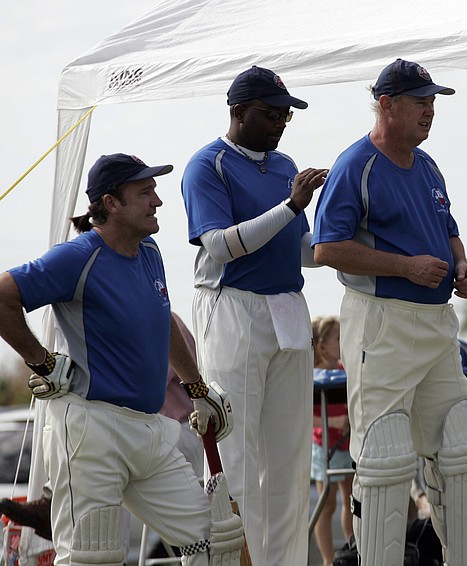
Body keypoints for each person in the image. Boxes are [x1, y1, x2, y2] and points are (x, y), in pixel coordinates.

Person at [0, 153, 239, 565]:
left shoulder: (150, 251)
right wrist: (43, 362)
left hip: (149, 430)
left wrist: (197, 388)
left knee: (216, 541)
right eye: (145, 192)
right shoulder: (77, 256)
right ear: (111, 203)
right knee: (93, 558)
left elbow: (163, 321)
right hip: (91, 429)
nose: (157, 201)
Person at [312, 58, 467, 566]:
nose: (429, 112)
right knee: (386, 462)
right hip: (381, 322)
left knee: (463, 450)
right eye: (420, 102)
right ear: (386, 105)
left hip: (436, 326)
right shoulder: (357, 165)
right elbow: (326, 248)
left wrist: (462, 264)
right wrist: (404, 267)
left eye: (432, 103)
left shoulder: (428, 164)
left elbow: (450, 228)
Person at [180, 65, 328, 566]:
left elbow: (302, 250)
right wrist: (291, 206)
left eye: (286, 114)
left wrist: (348, 233)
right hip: (233, 307)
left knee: (289, 463)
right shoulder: (208, 164)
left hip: (288, 307)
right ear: (238, 111)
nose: (282, 122)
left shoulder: (285, 164)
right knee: (235, 457)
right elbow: (219, 246)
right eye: (271, 113)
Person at [0, 312, 204, 545]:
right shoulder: (128, 324)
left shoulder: (156, 321)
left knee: (110, 450)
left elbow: (144, 381)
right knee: (108, 450)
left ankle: (56, 508)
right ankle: (60, 508)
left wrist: (71, 380)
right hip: (150, 430)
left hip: (181, 430)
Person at [311, 316, 354, 566]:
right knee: (326, 507)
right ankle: (328, 560)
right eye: (338, 338)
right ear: (322, 346)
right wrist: (333, 423)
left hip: (346, 445)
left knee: (350, 501)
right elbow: (306, 418)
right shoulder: (313, 375)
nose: (343, 342)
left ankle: (351, 549)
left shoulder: (344, 371)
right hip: (324, 447)